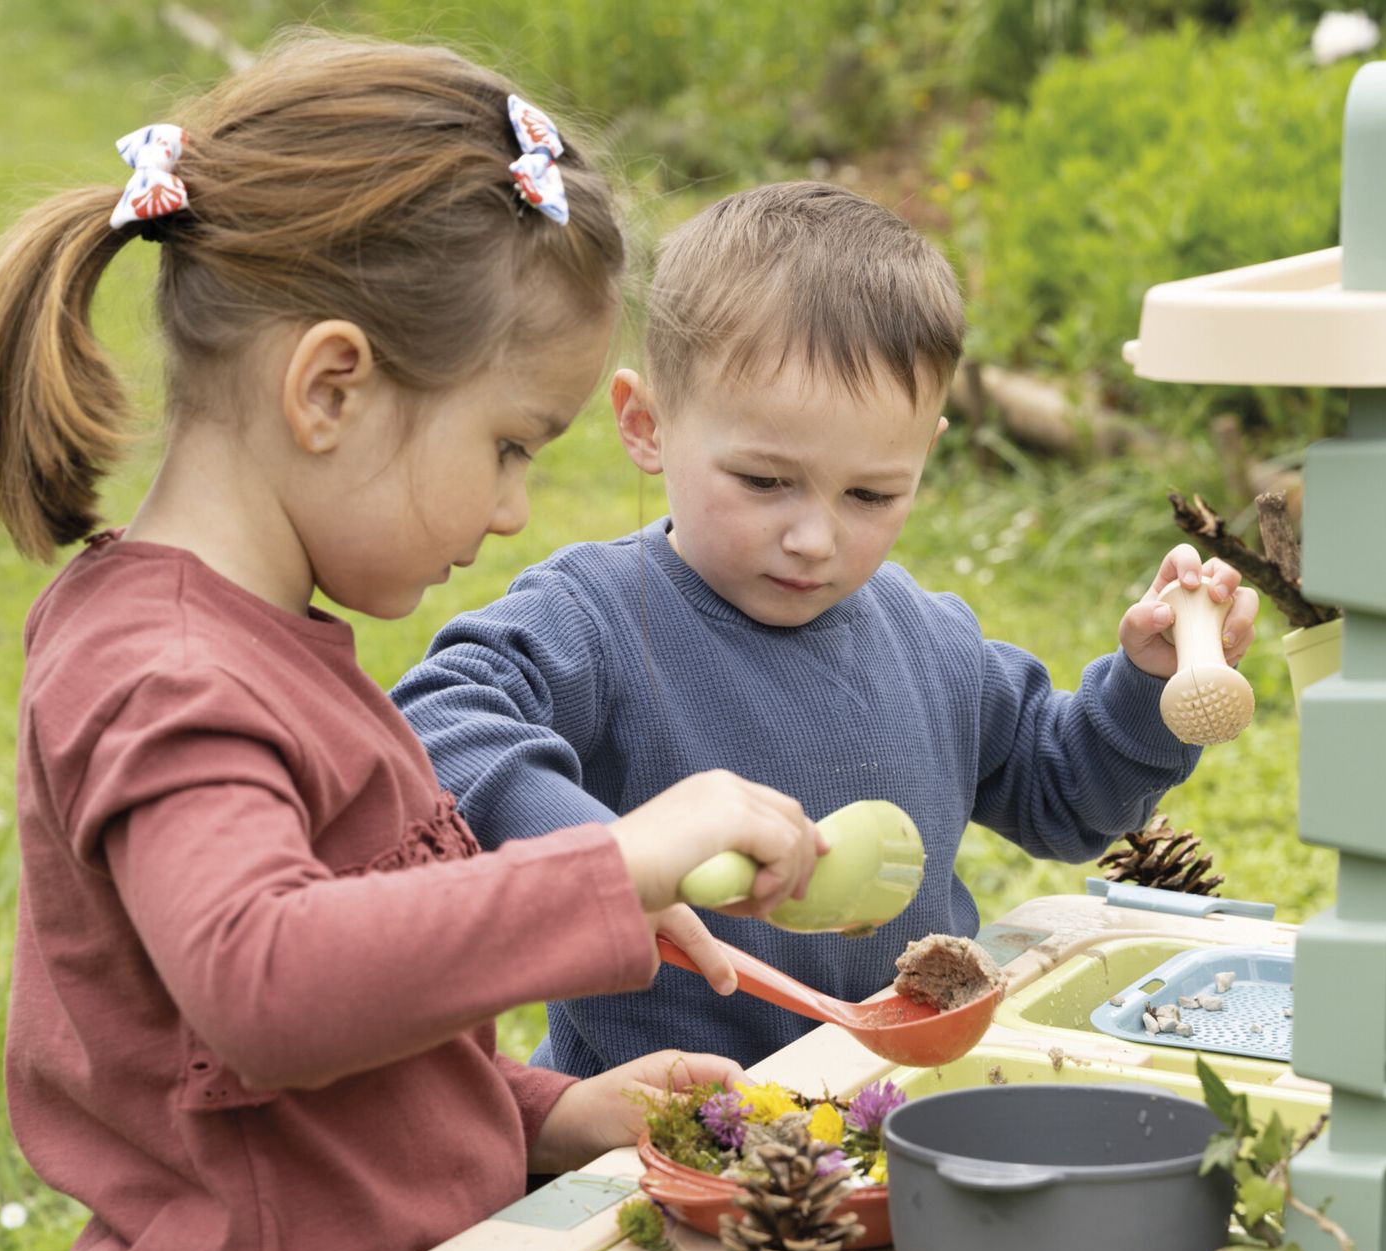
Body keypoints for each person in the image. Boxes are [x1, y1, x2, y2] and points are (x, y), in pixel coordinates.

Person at [0, 37, 828, 1251]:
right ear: (331, 389)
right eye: (509, 445)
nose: (512, 511)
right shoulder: (171, 675)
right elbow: (264, 983)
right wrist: (610, 864)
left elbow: (315, 1081)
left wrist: (544, 1116)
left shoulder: (268, 649)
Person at [393, 179, 1261, 1092]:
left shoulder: (930, 641)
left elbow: (1065, 794)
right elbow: (435, 728)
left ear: (925, 454)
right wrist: (613, 861)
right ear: (647, 426)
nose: (814, 538)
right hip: (670, 1123)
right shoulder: (597, 617)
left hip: (888, 1098)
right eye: (765, 481)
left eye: (871, 494)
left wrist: (1146, 687)